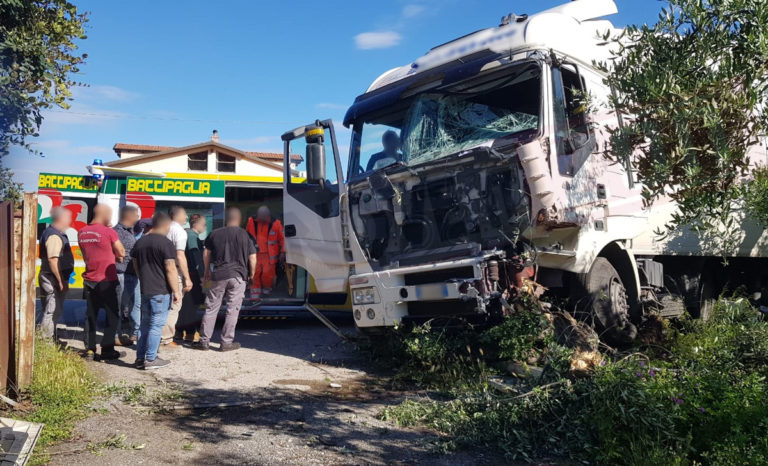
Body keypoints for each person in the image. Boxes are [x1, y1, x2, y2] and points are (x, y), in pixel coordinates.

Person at [193, 207, 256, 351]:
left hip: (219, 275)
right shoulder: (246, 235)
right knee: (232, 310)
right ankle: (226, 342)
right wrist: (252, 275)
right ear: (240, 220)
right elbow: (253, 257)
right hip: (238, 276)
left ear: (226, 219)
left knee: (211, 308)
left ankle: (204, 341)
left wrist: (207, 270)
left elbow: (206, 252)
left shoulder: (215, 233)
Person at [131, 212, 180, 370]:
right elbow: (170, 268)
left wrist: (143, 279)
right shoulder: (166, 243)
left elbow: (135, 264)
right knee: (156, 325)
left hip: (145, 289)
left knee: (144, 324)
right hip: (161, 290)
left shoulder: (140, 242)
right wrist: (176, 291)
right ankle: (151, 359)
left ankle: (139, 359)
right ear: (165, 225)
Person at [78, 204, 125, 361]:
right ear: (105, 214)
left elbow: (92, 252)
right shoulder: (108, 231)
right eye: (110, 215)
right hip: (107, 280)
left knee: (91, 315)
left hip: (89, 280)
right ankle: (107, 350)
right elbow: (121, 252)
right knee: (112, 316)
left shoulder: (82, 232)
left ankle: (90, 350)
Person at [38, 207, 74, 340]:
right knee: (51, 310)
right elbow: (53, 260)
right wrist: (61, 281)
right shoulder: (54, 235)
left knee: (53, 309)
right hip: (52, 277)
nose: (70, 222)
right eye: (68, 218)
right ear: (61, 219)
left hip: (50, 276)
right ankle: (46, 341)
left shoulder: (53, 232)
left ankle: (50, 337)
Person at [161, 205, 193, 348]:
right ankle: (166, 339)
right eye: (185, 214)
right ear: (178, 216)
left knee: (162, 305)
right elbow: (180, 256)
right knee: (174, 305)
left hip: (160, 272)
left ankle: (158, 336)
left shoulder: (164, 228)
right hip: (174, 271)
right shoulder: (180, 232)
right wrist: (187, 278)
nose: (186, 217)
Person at [176, 214, 206, 343]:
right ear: (197, 224)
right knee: (191, 306)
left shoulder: (185, 234)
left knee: (183, 306)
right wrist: (202, 276)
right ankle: (190, 332)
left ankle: (178, 331)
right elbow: (196, 258)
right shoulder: (192, 237)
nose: (205, 227)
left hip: (184, 274)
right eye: (204, 224)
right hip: (192, 275)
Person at [114, 206, 141, 345]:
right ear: (129, 216)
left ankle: (135, 333)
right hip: (122, 274)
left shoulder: (130, 232)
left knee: (135, 305)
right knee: (119, 307)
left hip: (132, 274)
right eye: (136, 216)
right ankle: (116, 336)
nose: (138, 219)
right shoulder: (117, 232)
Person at [245, 206, 284, 300]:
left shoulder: (277, 224)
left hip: (269, 256)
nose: (262, 219)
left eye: (264, 217)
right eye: (260, 217)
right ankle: (255, 296)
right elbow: (246, 236)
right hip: (255, 254)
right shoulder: (251, 222)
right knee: (254, 274)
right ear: (257, 215)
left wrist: (283, 252)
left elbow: (282, 239)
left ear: (268, 216)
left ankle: (266, 291)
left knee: (268, 275)